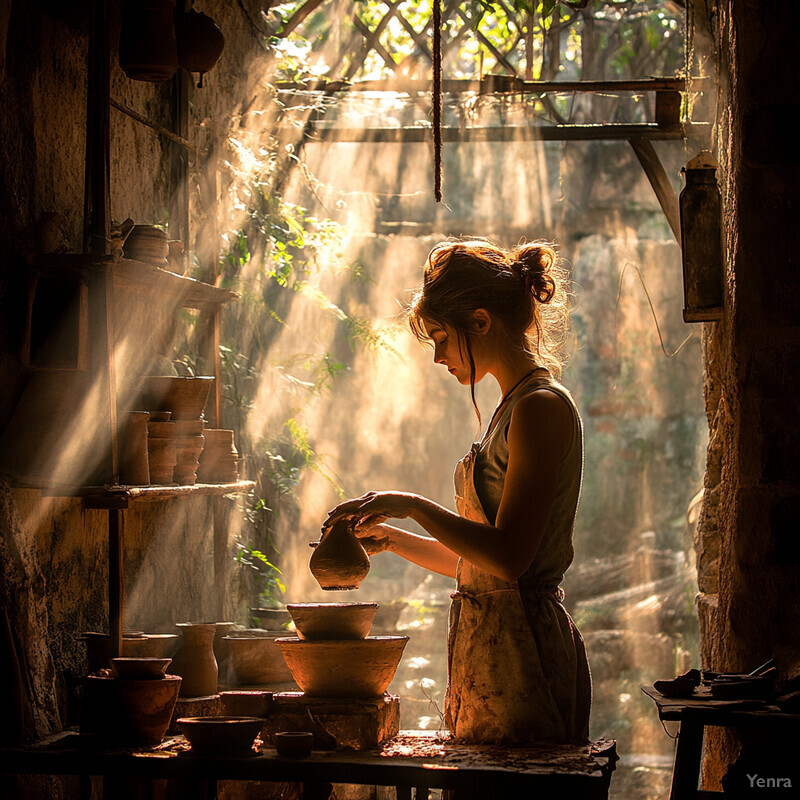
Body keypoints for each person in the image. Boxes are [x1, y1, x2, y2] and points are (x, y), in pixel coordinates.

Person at [322, 238, 591, 745]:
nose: (438, 356)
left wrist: (412, 506)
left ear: (482, 321)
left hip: (527, 653)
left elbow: (511, 560)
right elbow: (482, 566)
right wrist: (395, 540)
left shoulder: (540, 407)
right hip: (497, 647)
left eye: (442, 338)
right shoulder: (510, 408)